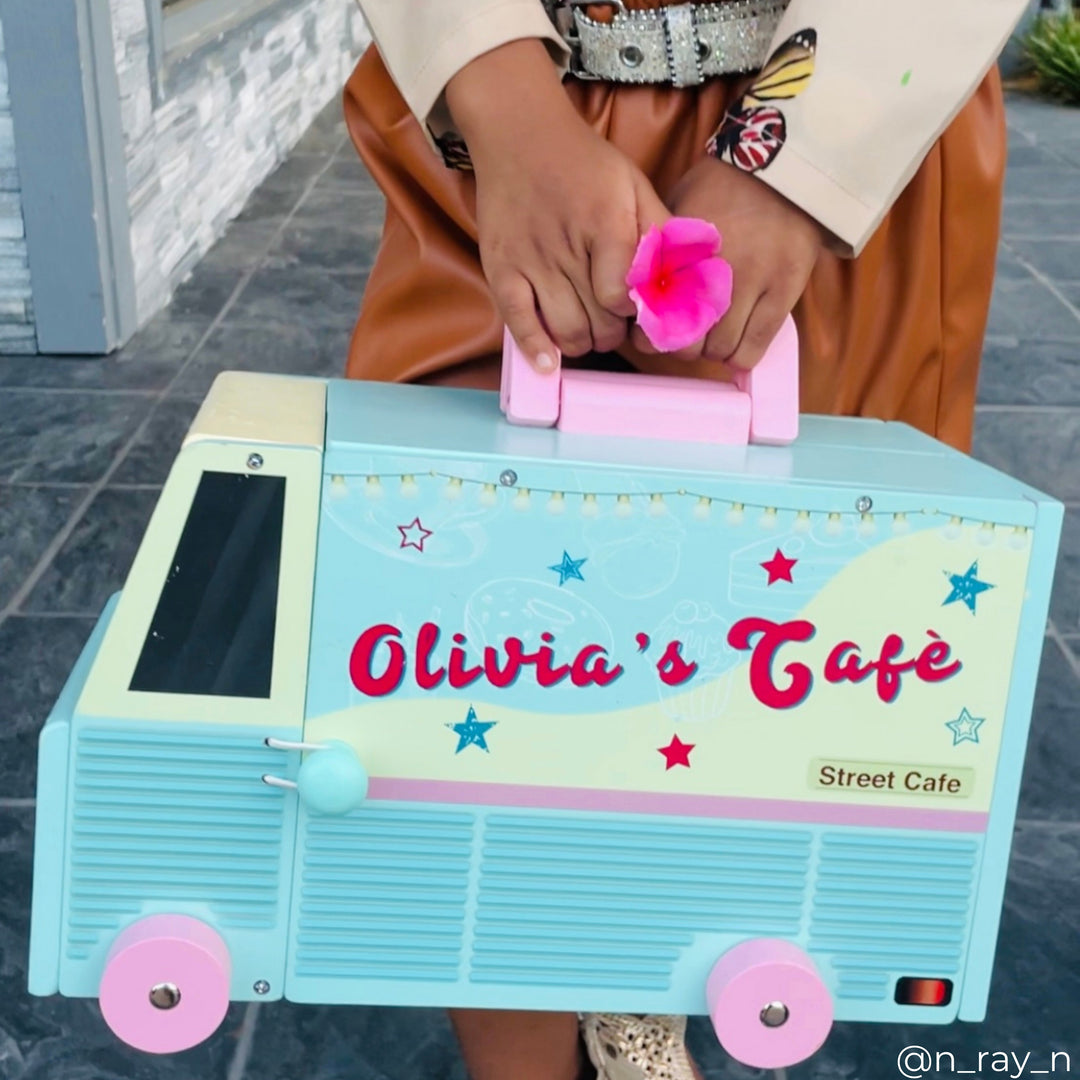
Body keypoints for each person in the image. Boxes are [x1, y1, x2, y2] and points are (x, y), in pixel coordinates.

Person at [340, 2, 1028, 1077]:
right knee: (452, 680)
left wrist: (792, 160)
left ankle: (644, 976)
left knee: (779, 671)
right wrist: (506, 102)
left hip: (844, 134)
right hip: (507, 130)